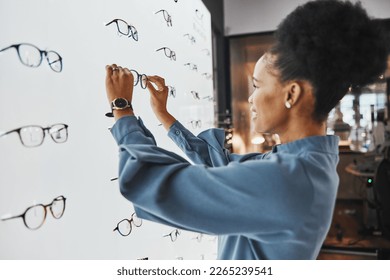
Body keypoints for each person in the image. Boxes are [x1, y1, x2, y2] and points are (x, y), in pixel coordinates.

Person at [104, 0, 388, 259]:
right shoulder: (304, 163)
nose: (251, 99)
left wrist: (122, 107)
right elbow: (220, 164)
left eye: (257, 85)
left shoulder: (285, 179)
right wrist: (164, 116)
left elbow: (147, 183)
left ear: (291, 94)